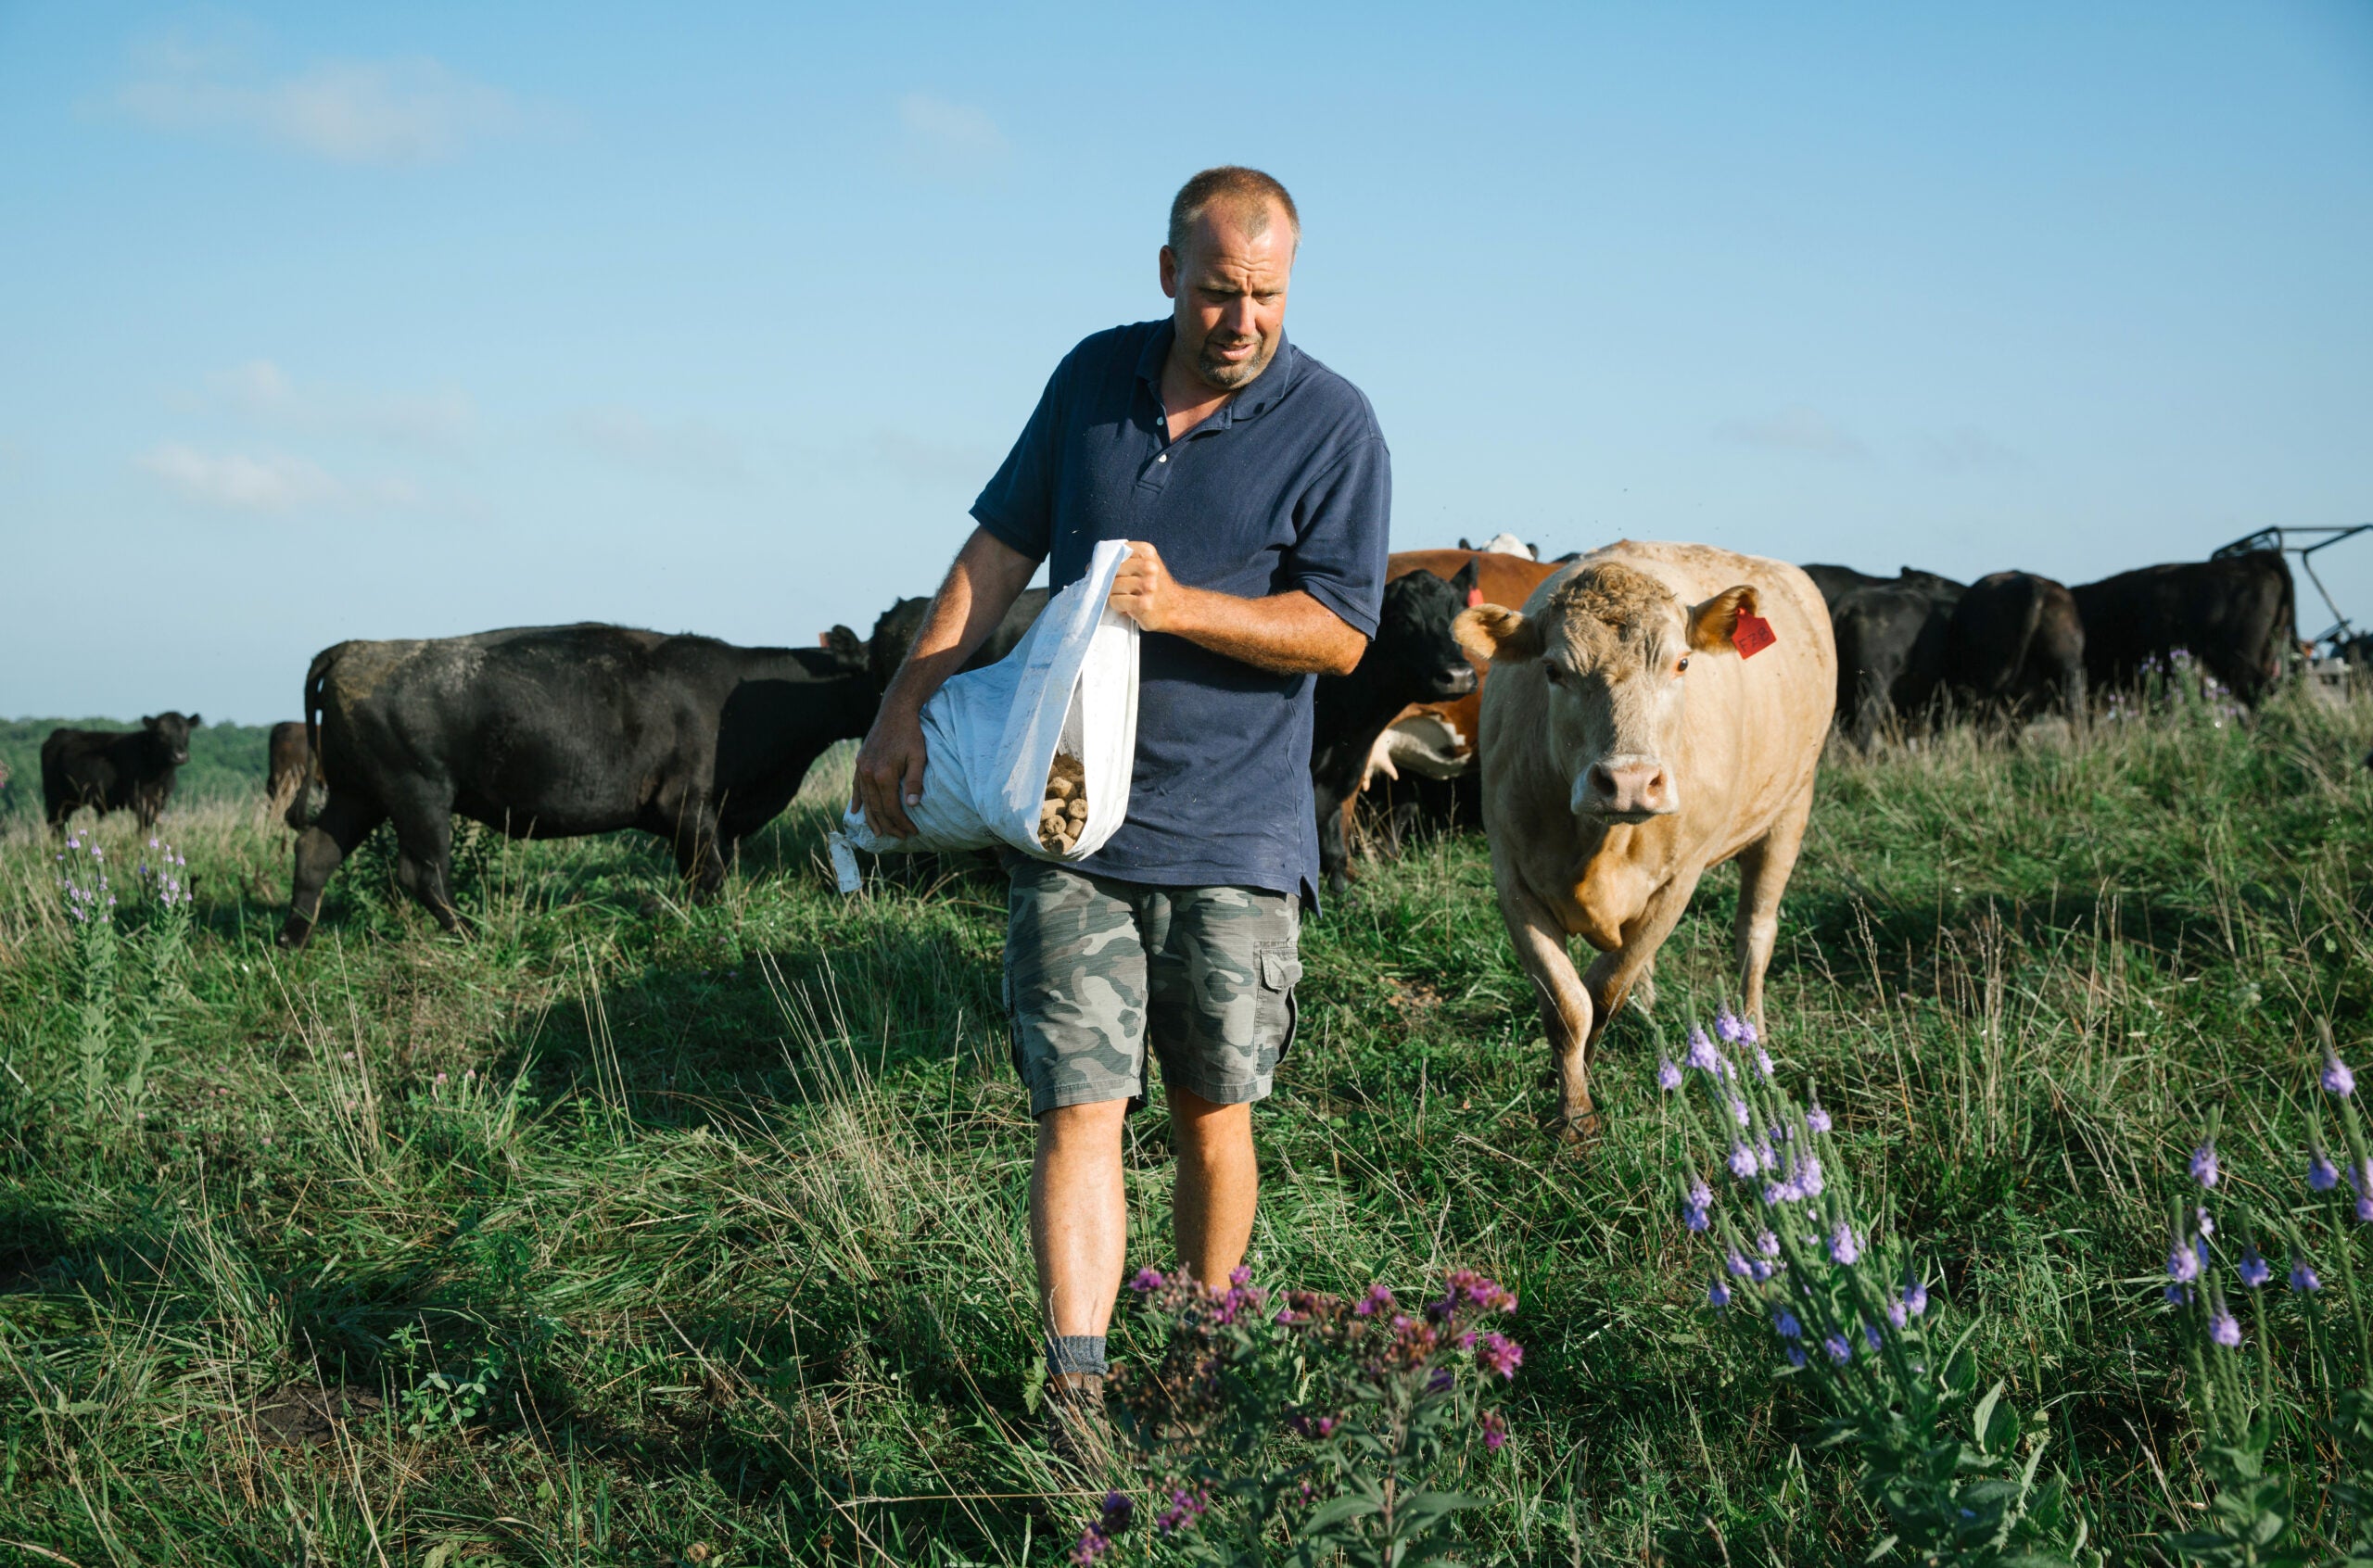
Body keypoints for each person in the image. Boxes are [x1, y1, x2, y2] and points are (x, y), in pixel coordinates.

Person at [851, 165, 1390, 1453]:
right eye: (1216, 292)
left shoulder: (1337, 427)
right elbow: (996, 553)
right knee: (1077, 1101)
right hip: (1072, 818)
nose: (1241, 320)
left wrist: (1182, 603)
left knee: (1214, 1109)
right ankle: (1079, 1389)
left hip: (1238, 832)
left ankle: (1207, 1360)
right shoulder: (1093, 380)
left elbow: (1344, 634)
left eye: (1264, 295)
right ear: (1167, 277)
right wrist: (906, 696)